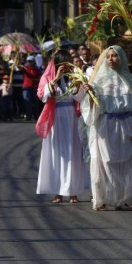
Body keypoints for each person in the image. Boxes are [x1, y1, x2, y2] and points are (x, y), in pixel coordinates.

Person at [81, 46, 132, 211]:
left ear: (121, 57)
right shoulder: (98, 81)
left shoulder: (130, 80)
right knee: (103, 162)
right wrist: (91, 95)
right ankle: (102, 199)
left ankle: (124, 199)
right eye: (108, 56)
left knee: (126, 162)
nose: (111, 59)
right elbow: (90, 108)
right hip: (105, 126)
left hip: (126, 125)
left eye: (115, 56)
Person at [35, 50, 87, 204]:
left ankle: (73, 192)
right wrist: (56, 78)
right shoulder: (48, 77)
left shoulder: (74, 78)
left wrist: (77, 83)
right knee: (58, 154)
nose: (65, 67)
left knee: (73, 154)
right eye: (62, 64)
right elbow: (44, 96)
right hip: (56, 118)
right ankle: (58, 192)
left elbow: (80, 97)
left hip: (72, 118)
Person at [20, 55, 41, 121]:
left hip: (34, 87)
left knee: (35, 102)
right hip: (26, 87)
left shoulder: (37, 69)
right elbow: (19, 67)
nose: (29, 62)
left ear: (34, 61)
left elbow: (40, 78)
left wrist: (35, 80)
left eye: (30, 61)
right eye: (28, 61)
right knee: (27, 101)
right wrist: (18, 60)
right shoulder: (26, 68)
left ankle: (36, 116)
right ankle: (28, 115)